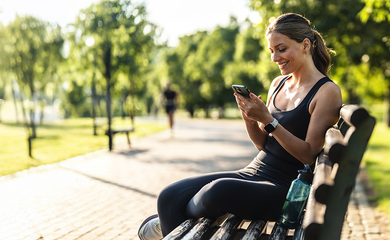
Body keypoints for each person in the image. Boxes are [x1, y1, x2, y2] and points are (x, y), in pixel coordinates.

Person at [137, 13, 343, 240]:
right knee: (168, 196)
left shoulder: (326, 92)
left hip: (286, 189)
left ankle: (172, 223)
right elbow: (263, 145)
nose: (275, 57)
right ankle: (172, 222)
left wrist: (268, 120)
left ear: (305, 45)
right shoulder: (279, 83)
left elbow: (308, 154)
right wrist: (250, 118)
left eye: (281, 49)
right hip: (255, 172)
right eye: (271, 51)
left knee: (216, 191)